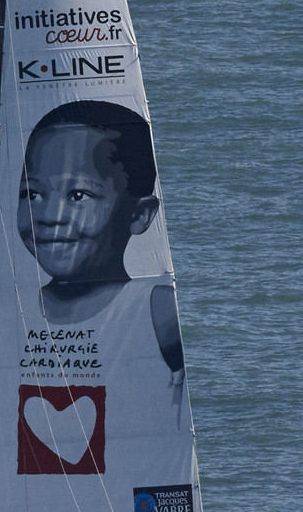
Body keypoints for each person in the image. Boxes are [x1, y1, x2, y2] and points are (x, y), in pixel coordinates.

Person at [15, 101, 184, 397]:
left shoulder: (157, 310)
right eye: (32, 194)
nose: (49, 215)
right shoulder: (7, 305)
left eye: (78, 195)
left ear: (139, 215)